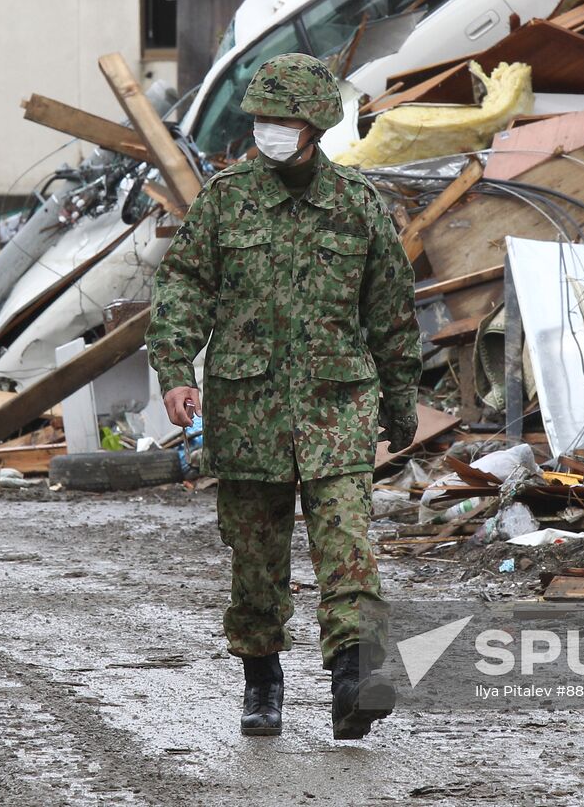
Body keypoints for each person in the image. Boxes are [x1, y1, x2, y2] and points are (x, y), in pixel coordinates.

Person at [147, 53, 421, 740]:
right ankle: (262, 680)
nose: (266, 130)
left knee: (348, 543)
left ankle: (355, 677)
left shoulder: (357, 205)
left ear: (316, 124)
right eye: (260, 118)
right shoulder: (225, 198)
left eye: (281, 118)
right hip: (247, 412)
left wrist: (400, 401)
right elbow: (183, 286)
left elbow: (391, 310)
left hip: (337, 406)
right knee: (257, 558)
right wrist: (175, 368)